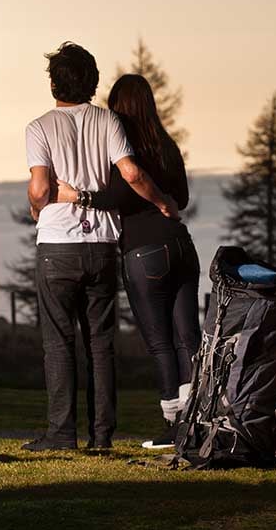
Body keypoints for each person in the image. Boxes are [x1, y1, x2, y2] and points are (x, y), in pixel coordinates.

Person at [23, 43, 177, 452]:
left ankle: (60, 434)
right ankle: (102, 435)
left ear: (54, 81)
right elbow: (130, 172)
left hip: (58, 244)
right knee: (100, 342)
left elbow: (40, 187)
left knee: (59, 342)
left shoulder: (39, 127)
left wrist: (37, 206)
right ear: (92, 82)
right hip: (104, 243)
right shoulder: (108, 121)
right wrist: (161, 201)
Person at [56, 74, 202, 449]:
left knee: (160, 345)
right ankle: (198, 419)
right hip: (183, 247)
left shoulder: (125, 149)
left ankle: (174, 425)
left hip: (144, 253)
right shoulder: (168, 145)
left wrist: (78, 196)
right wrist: (163, 200)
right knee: (188, 337)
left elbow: (120, 192)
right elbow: (181, 199)